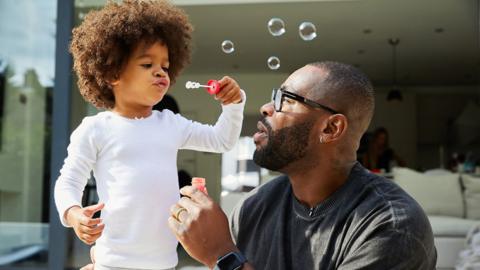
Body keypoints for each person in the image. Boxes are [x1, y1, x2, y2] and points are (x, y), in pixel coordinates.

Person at [167, 61, 437, 269]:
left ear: (331, 128)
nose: (265, 108)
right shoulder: (255, 208)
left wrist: (221, 254)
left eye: (283, 100)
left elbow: (225, 258)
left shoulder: (391, 226)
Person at [54, 1, 245, 270]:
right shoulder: (96, 128)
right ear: (113, 72)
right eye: (147, 64)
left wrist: (233, 104)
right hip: (112, 264)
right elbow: (68, 181)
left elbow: (221, 140)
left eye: (165, 66)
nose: (160, 72)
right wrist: (73, 213)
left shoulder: (170, 124)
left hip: (164, 265)